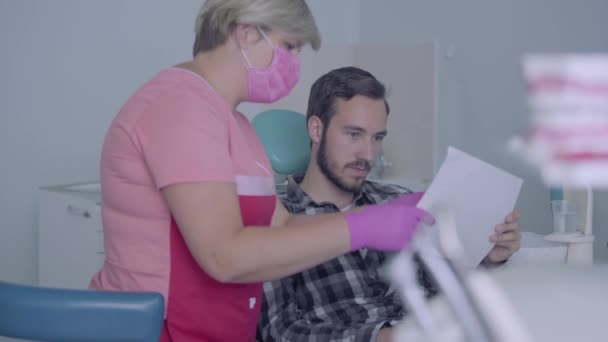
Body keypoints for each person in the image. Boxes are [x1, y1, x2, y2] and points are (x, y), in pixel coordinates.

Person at [89, 2, 435, 341]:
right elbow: (223, 256)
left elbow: (280, 225)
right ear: (247, 33)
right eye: (289, 47)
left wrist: (376, 214)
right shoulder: (180, 106)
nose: (294, 64)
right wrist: (361, 227)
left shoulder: (235, 124)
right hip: (156, 329)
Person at [257, 66, 522, 342]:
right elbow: (280, 332)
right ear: (316, 129)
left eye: (378, 137)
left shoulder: (395, 201)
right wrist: (386, 338)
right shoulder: (278, 220)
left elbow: (438, 285)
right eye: (353, 134)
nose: (368, 154)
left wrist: (487, 256)